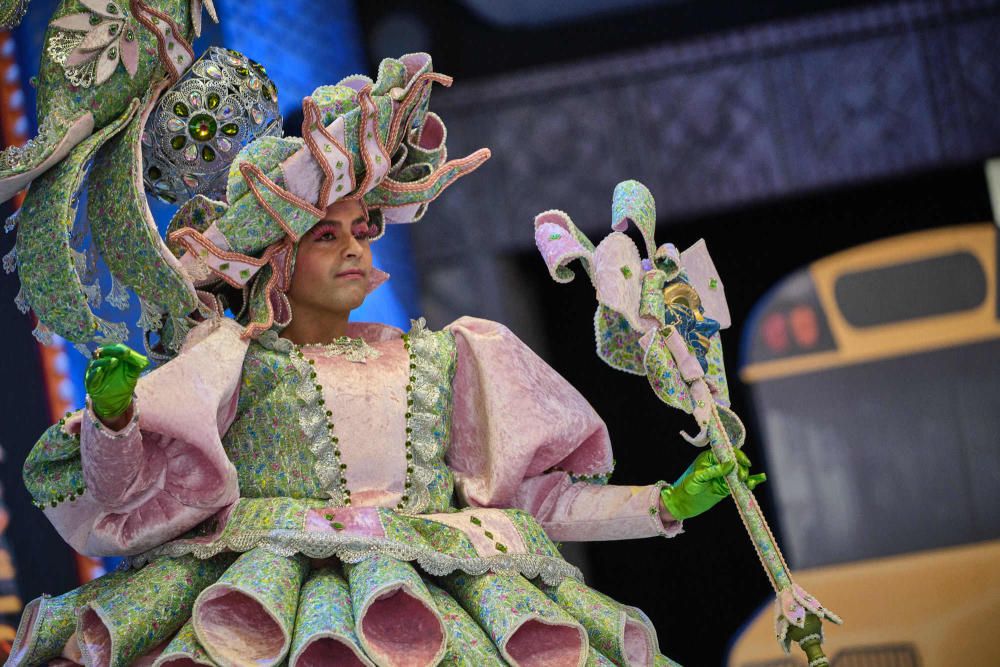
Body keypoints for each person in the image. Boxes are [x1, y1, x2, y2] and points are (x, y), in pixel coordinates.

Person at [8, 53, 762, 667]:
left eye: (361, 230)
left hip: (440, 597)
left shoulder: (448, 356)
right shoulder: (231, 362)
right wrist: (113, 421)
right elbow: (129, 502)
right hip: (265, 600)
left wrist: (663, 505)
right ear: (276, 259)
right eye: (327, 235)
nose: (356, 247)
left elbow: (535, 501)